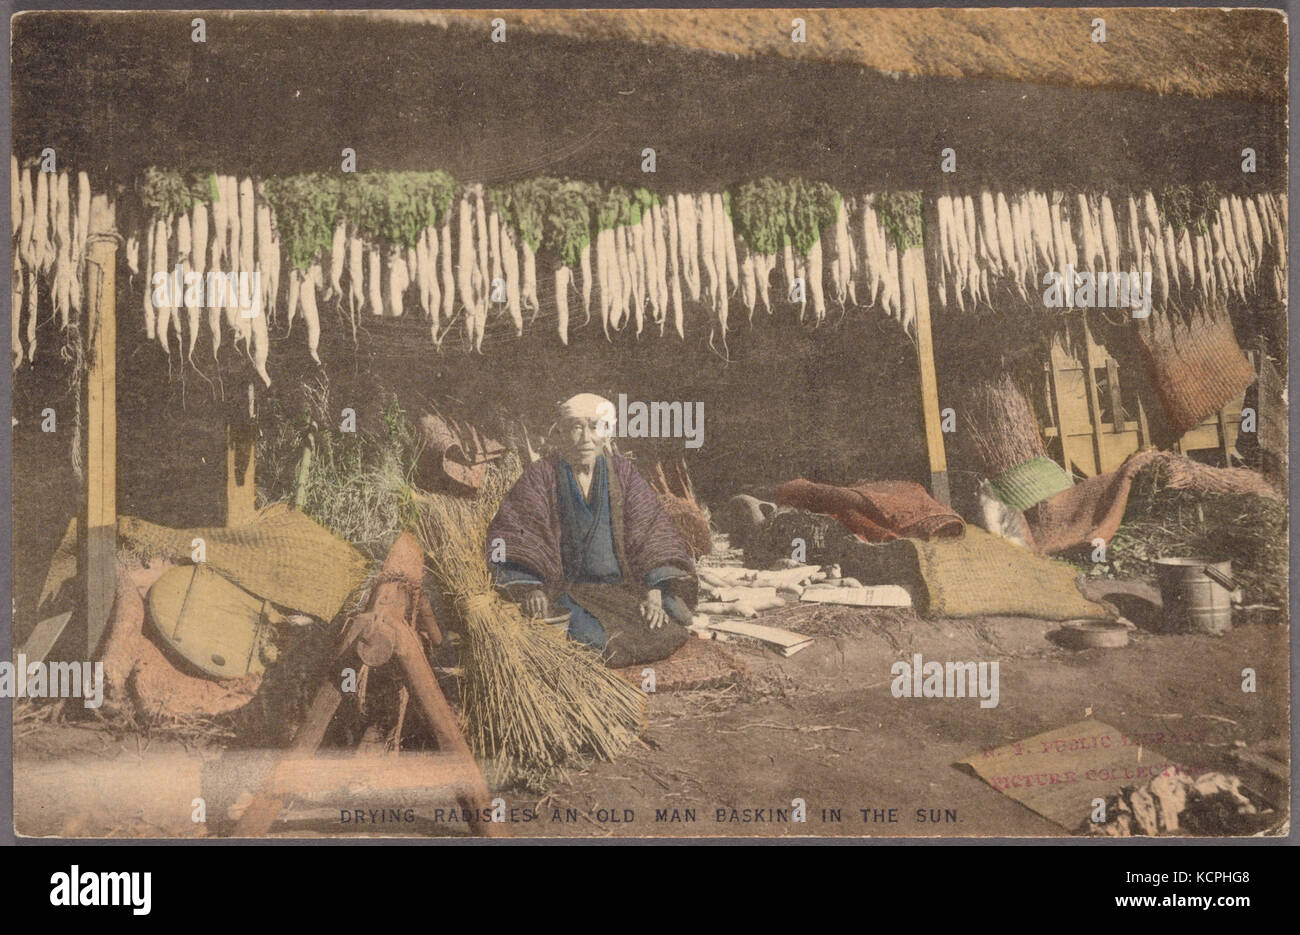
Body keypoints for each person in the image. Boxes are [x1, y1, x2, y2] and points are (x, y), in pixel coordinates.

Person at [487, 393, 698, 666]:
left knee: (667, 630)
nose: (586, 437)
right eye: (576, 427)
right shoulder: (541, 475)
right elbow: (515, 529)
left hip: (621, 587)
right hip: (568, 590)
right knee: (593, 641)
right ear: (561, 432)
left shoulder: (623, 473)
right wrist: (532, 588)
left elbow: (651, 529)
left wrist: (653, 591)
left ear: (607, 433)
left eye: (595, 426)